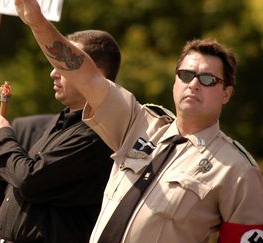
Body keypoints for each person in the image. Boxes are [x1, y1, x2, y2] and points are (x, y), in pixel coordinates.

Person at [13, 0, 263, 243]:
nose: (194, 84)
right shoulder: (139, 122)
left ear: (226, 93)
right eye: (186, 75)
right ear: (175, 82)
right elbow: (85, 75)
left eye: (208, 79)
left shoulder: (238, 170)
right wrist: (37, 22)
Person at [0, 29, 122, 243]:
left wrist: (3, 136)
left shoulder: (96, 134)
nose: (53, 73)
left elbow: (30, 180)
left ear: (96, 76)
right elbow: (11, 191)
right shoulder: (61, 122)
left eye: (64, 66)